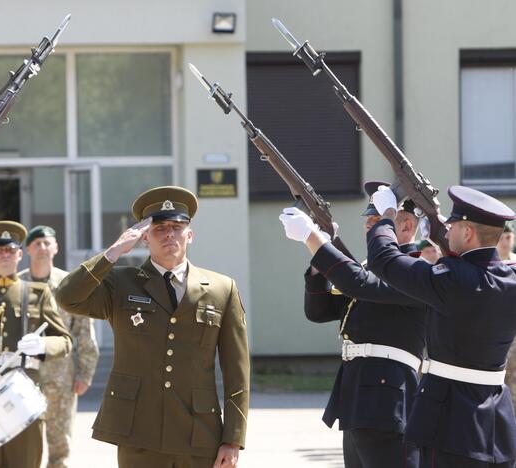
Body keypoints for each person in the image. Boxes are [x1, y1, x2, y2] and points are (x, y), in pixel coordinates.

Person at [56, 186, 249, 468]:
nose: (169, 233)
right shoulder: (121, 283)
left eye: (177, 226)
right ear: (145, 237)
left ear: (190, 235)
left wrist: (232, 439)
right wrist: (114, 252)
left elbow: (237, 372)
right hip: (138, 431)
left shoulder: (221, 288)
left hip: (200, 432)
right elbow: (67, 296)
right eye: (159, 228)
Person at [366, 184, 516, 467]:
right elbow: (476, 273)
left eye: (453, 227)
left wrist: (386, 214)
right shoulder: (509, 279)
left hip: (451, 420)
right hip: (496, 422)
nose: (446, 232)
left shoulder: (452, 279)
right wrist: (444, 245)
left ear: (468, 233)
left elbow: (383, 259)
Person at [279, 181, 425, 468]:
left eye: (378, 221)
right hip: (358, 394)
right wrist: (319, 262)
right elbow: (320, 311)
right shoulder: (370, 271)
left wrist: (315, 240)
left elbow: (356, 282)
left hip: (387, 397)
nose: (369, 228)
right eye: (369, 221)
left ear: (406, 227)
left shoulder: (416, 270)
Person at [0, 220, 72, 468]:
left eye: (10, 250)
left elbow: (64, 341)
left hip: (23, 393)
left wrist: (42, 345)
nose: (5, 255)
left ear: (20, 254)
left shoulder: (37, 293)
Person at [18, 225, 99, 468]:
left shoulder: (69, 284)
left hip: (61, 377)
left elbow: (84, 331)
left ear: (56, 247)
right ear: (28, 249)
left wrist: (85, 373)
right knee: (23, 441)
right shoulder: (18, 284)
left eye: (47, 243)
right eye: (37, 244)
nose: (42, 248)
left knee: (60, 444)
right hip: (24, 376)